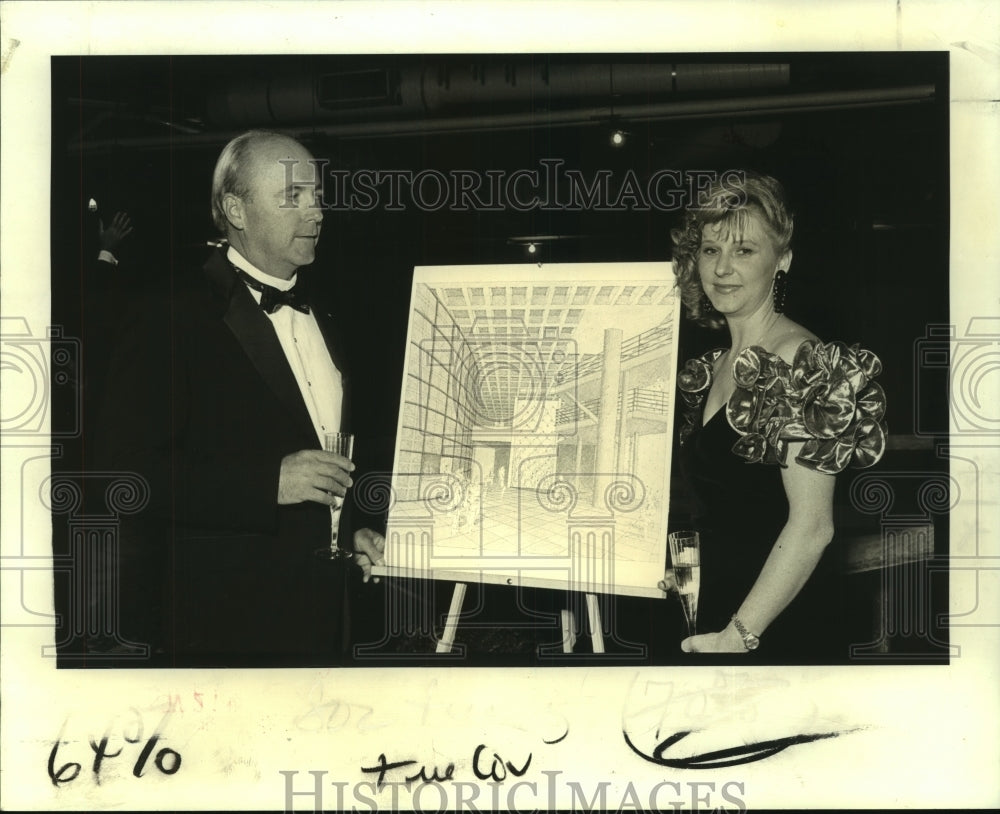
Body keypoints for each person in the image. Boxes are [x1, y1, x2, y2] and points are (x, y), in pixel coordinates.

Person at [94, 131, 385, 665]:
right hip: (228, 628)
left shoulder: (332, 311)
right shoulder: (170, 313)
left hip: (332, 619)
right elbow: (122, 477)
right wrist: (265, 484)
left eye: (317, 195)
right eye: (293, 196)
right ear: (237, 209)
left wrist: (357, 528)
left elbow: (334, 450)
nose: (316, 212)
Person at [662, 171, 887, 659]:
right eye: (709, 250)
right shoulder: (712, 367)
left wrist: (740, 635)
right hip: (716, 611)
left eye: (744, 251)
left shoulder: (803, 363)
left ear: (781, 260)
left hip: (775, 626)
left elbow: (812, 527)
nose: (722, 268)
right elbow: (723, 510)